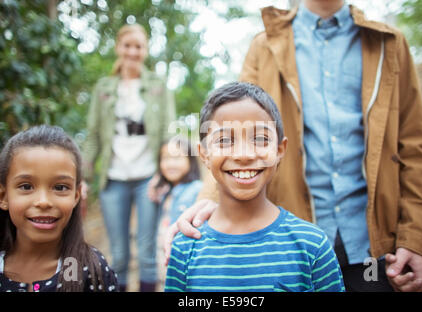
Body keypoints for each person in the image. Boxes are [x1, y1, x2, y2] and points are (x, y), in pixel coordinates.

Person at [165, 0, 422, 292]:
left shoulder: (390, 43)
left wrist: (419, 237)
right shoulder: (265, 46)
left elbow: (415, 148)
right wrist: (209, 199)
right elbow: (235, 130)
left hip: (374, 248)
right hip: (290, 245)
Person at [164, 82, 345, 292]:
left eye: (260, 138)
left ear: (279, 150)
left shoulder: (312, 246)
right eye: (224, 140)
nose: (243, 154)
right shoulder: (185, 249)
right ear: (204, 154)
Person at [82, 23, 176, 292]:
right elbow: (93, 135)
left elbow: (169, 132)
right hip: (114, 178)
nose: (133, 52)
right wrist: (83, 177)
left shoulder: (158, 85)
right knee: (119, 255)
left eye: (139, 46)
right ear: (118, 47)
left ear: (145, 51)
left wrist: (164, 173)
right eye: (128, 45)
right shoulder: (104, 87)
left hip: (148, 177)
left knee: (147, 252)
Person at [0, 125, 118, 292]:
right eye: (26, 186)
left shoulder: (89, 271)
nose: (43, 202)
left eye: (60, 188)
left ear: (76, 196)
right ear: (3, 196)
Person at [149, 137, 202, 290]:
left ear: (190, 161)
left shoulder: (197, 189)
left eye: (177, 158)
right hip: (163, 256)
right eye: (165, 158)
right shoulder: (166, 192)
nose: (170, 164)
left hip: (181, 260)